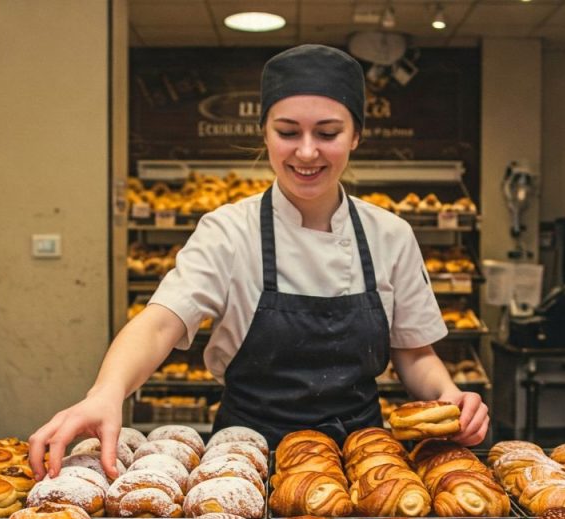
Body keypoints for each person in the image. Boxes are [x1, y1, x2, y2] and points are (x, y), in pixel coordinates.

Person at [28, 44, 489, 480]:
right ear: (264, 134)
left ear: (356, 136)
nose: (306, 152)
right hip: (245, 458)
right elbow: (160, 322)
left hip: (362, 461)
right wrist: (106, 392)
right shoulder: (228, 230)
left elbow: (413, 353)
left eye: (327, 133)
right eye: (288, 132)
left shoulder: (391, 234)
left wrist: (449, 400)